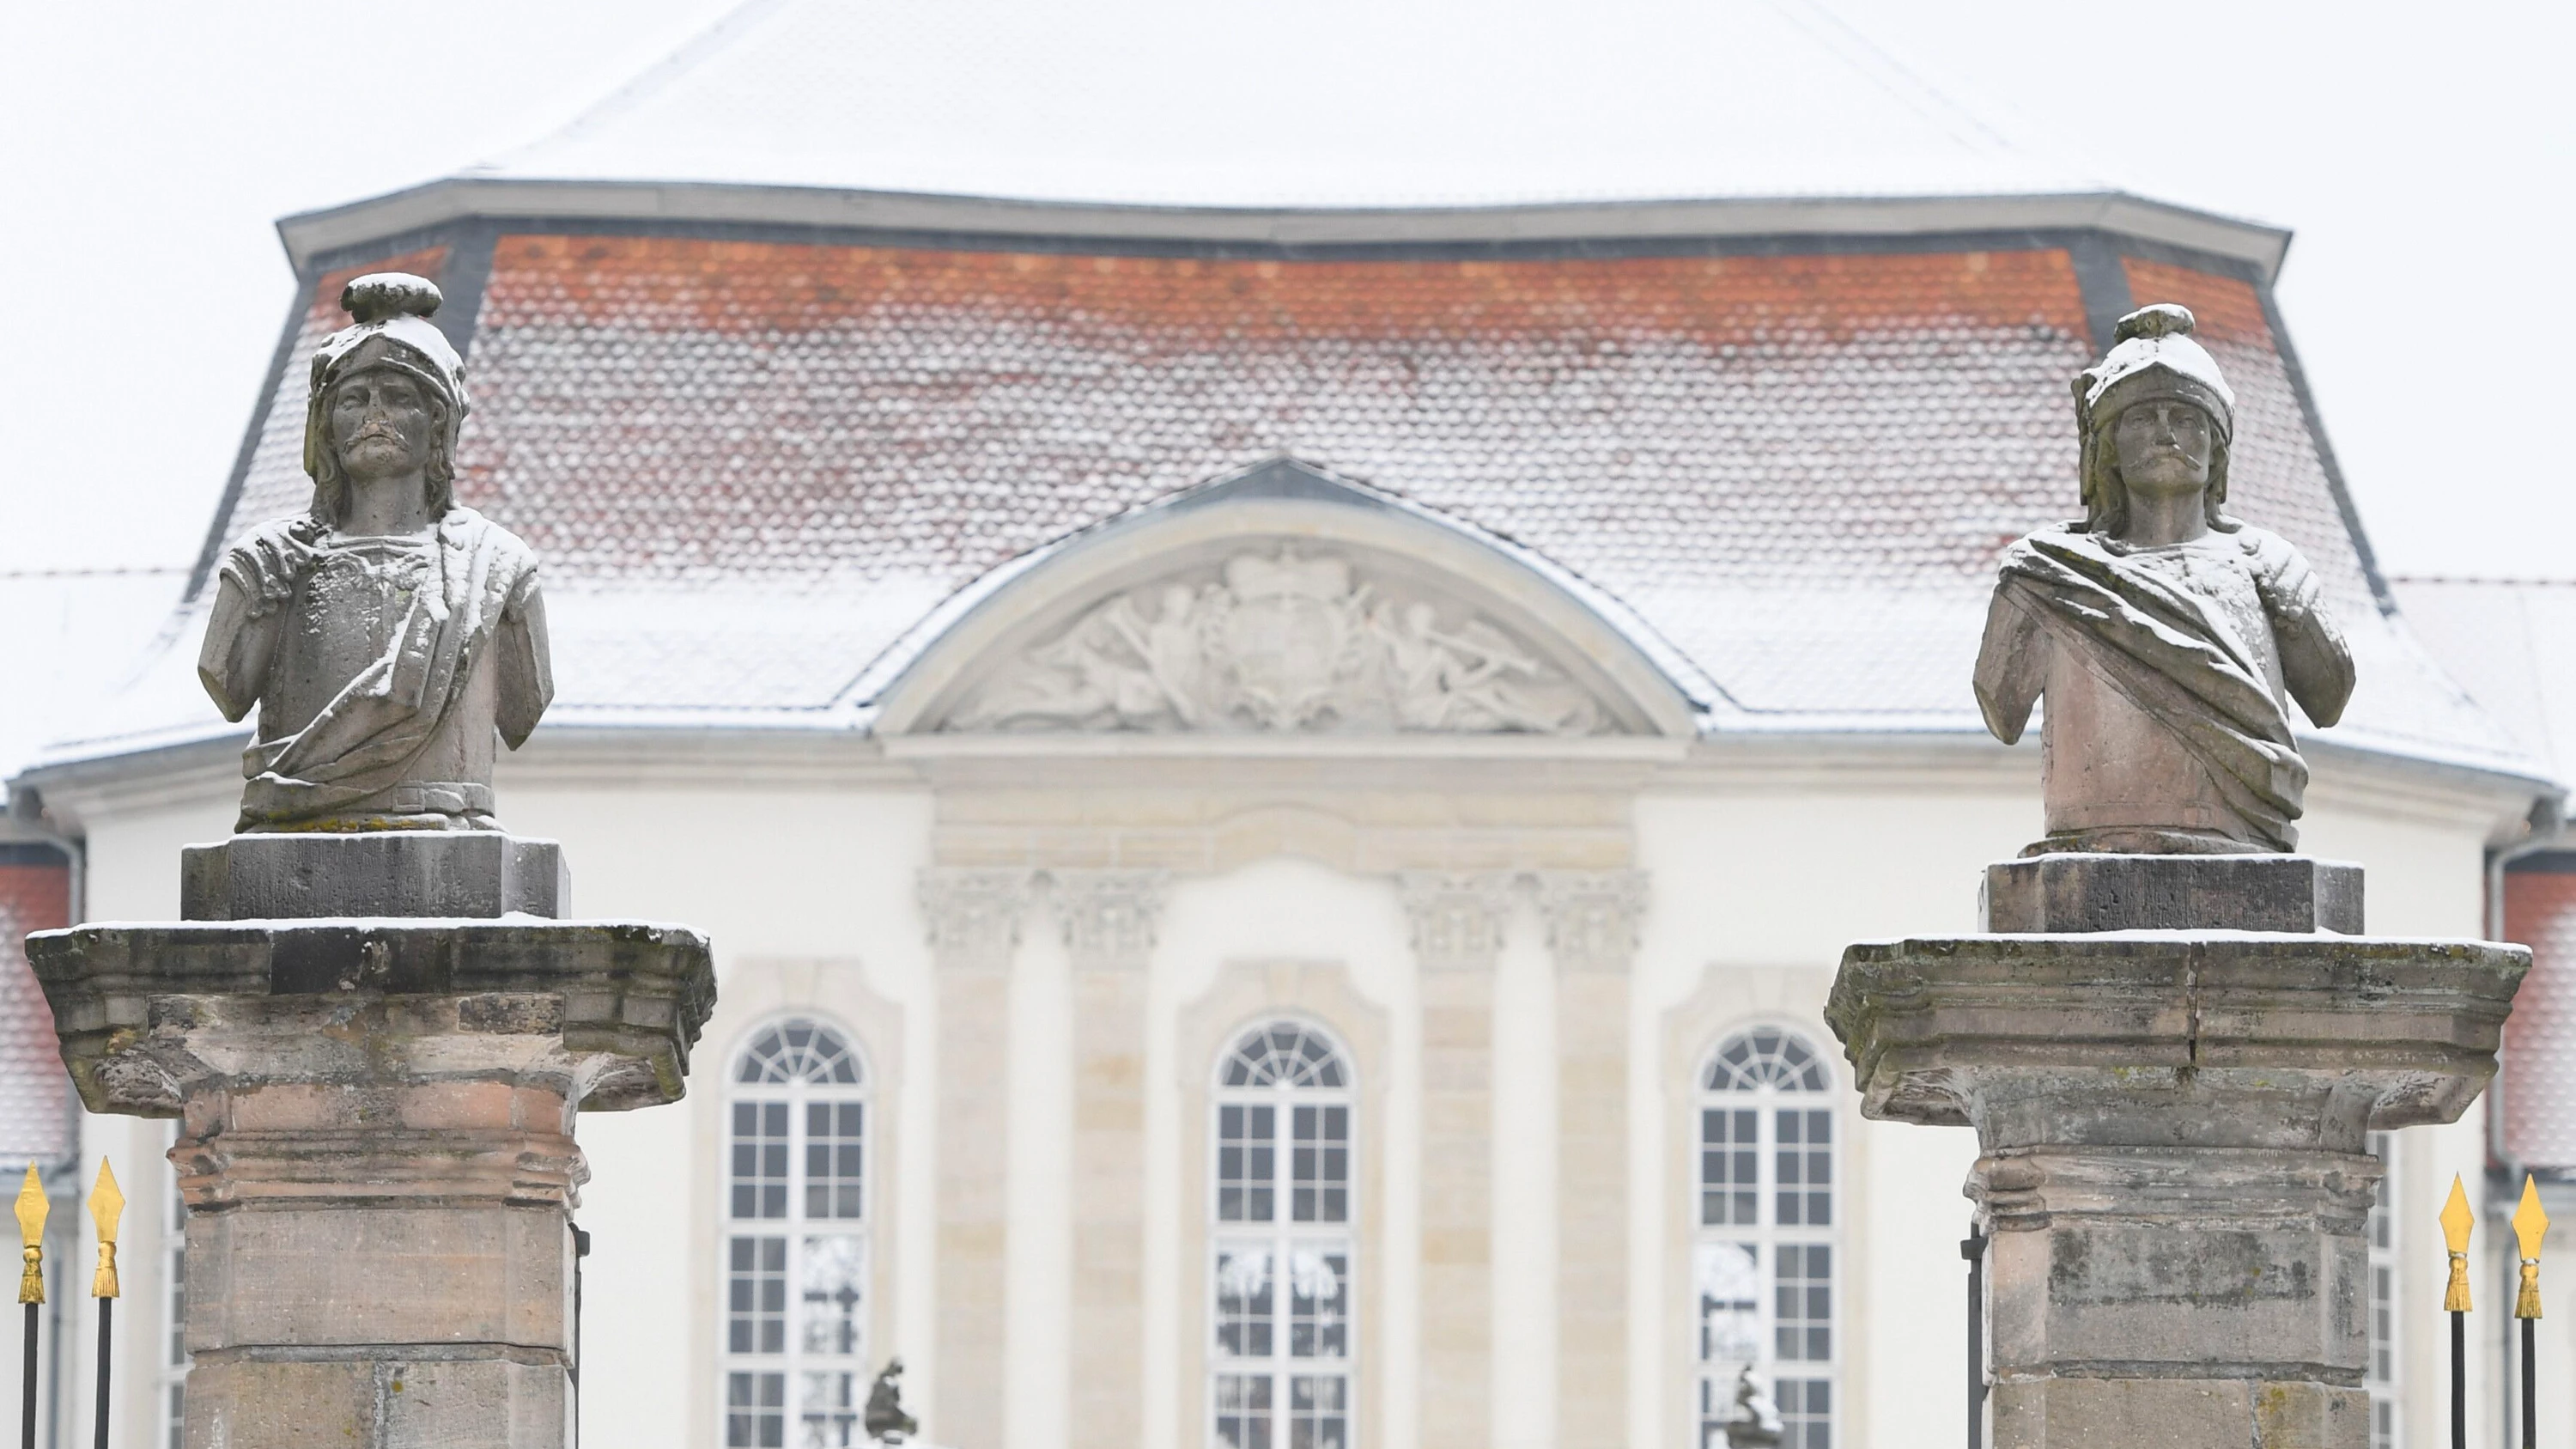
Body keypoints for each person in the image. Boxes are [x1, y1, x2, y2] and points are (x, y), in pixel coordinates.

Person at [1971, 303, 2353, 855]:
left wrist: (2293, 603)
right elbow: (2001, 710)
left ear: (2217, 451)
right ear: (2109, 449)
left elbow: (2329, 696)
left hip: (2251, 857)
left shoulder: (2269, 568)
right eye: (2142, 419)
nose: (2167, 435)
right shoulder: (2047, 575)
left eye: (2187, 419)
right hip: (2093, 859)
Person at [197, 272, 551, 832]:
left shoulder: (498, 566)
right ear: (326, 426)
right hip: (289, 841)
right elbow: (229, 685)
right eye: (354, 399)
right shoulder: (269, 562)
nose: (374, 416)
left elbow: (522, 709)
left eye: (400, 397)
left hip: (453, 838)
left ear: (438, 422)